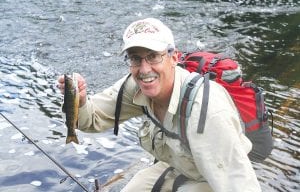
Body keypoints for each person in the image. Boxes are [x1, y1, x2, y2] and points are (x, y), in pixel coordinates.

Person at [57, 18, 262, 191]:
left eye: (153, 56)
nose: (144, 69)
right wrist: (80, 101)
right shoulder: (135, 85)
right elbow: (91, 119)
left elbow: (239, 184)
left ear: (173, 58)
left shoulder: (207, 111)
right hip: (178, 167)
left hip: (213, 178)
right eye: (135, 58)